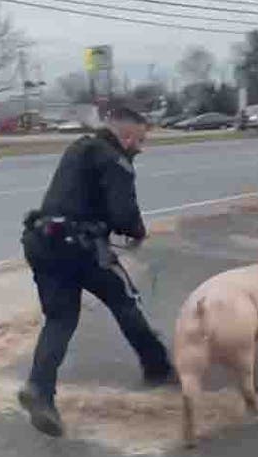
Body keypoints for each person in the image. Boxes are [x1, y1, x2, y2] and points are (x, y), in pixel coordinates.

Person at [17, 106, 174, 437]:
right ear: (127, 136)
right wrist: (138, 232)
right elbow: (124, 214)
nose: (141, 148)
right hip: (81, 247)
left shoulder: (78, 148)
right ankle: (157, 366)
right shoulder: (115, 160)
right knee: (123, 300)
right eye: (141, 140)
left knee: (60, 320)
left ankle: (39, 390)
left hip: (42, 241)